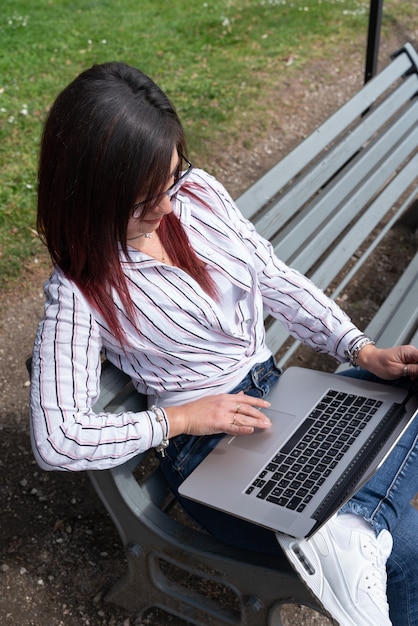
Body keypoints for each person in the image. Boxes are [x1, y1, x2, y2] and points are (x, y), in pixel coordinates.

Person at [30, 61, 418, 626]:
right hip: (211, 451)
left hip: (280, 395)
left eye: (171, 178)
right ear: (92, 198)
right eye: (142, 202)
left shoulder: (199, 195)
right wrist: (181, 420)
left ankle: (351, 524)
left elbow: (274, 279)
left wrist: (362, 351)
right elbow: (57, 439)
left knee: (406, 387)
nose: (167, 208)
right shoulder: (79, 292)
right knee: (402, 542)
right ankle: (355, 525)